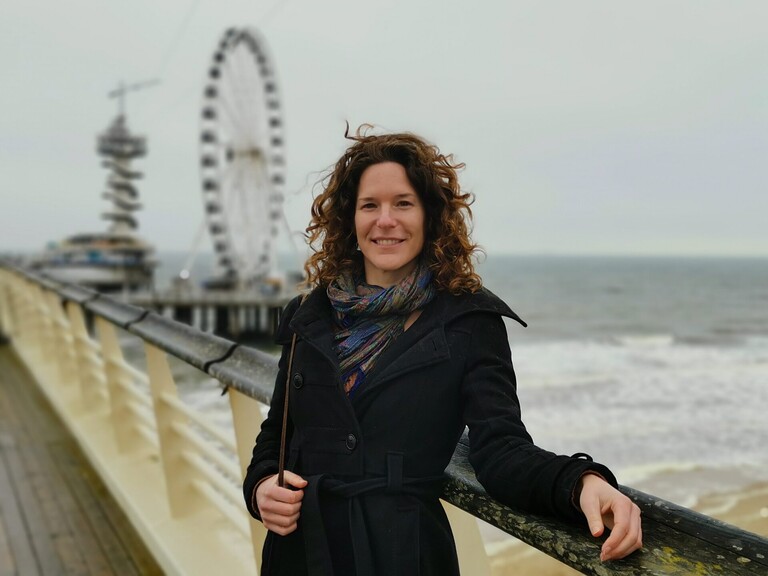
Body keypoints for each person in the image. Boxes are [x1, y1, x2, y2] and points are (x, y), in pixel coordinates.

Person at [243, 125, 643, 575]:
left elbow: (500, 450)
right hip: (300, 553)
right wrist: (260, 489)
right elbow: (277, 433)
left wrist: (580, 483)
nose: (385, 220)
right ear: (349, 220)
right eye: (369, 205)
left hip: (402, 554)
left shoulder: (468, 322)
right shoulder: (308, 314)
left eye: (403, 203)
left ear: (430, 216)